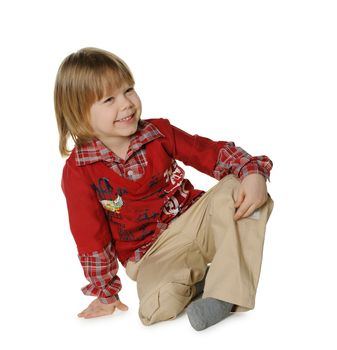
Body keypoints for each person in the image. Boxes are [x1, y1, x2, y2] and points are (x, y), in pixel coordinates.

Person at [54, 47, 274, 331]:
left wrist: (253, 172)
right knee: (155, 309)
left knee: (244, 189)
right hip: (151, 254)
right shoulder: (80, 171)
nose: (126, 104)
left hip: (196, 221)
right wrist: (106, 293)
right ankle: (202, 281)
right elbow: (90, 237)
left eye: (128, 90)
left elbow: (209, 153)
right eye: (109, 99)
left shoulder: (158, 133)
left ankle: (225, 295)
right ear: (80, 115)